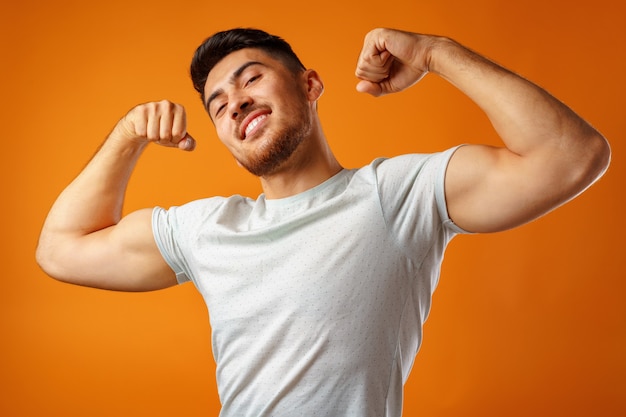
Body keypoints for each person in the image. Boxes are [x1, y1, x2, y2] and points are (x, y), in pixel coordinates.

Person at [36, 28, 610, 416]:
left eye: (251, 78)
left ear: (310, 86)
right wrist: (128, 136)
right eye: (216, 103)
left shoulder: (396, 195)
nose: (233, 101)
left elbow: (572, 156)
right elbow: (59, 250)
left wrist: (436, 53)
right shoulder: (205, 229)